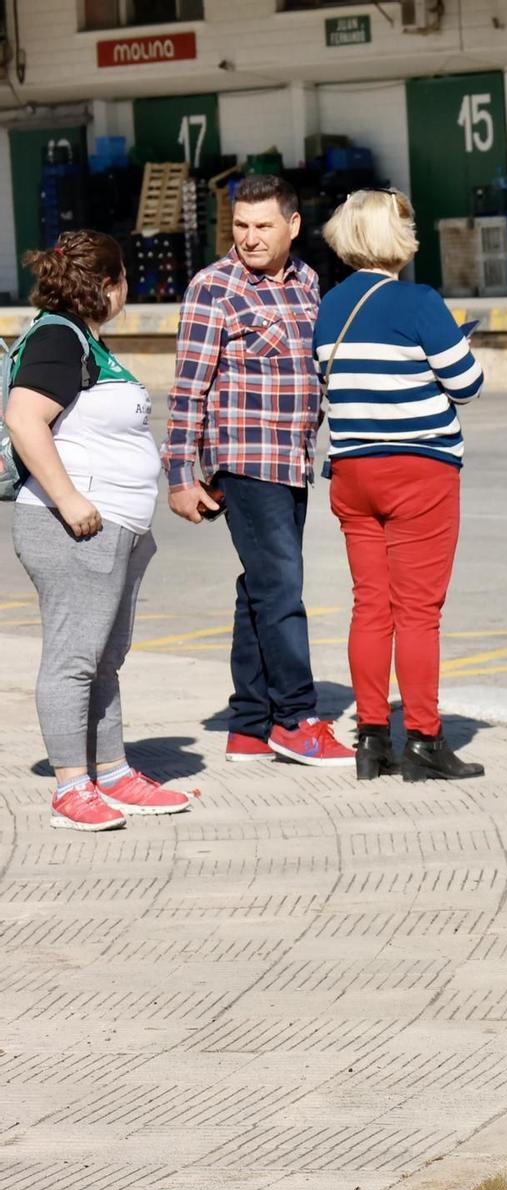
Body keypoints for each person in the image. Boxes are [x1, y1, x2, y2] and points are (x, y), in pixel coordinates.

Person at [6, 231, 193, 830]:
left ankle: (111, 773)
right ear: (110, 283)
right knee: (73, 659)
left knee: (102, 659)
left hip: (112, 528)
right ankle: (70, 788)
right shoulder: (59, 337)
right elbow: (23, 418)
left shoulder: (81, 339)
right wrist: (68, 499)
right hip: (77, 527)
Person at [165, 174, 352, 768]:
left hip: (293, 461)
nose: (249, 237)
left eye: (263, 225)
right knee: (281, 591)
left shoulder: (308, 283)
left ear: (292, 226)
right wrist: (179, 475)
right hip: (246, 462)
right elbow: (187, 390)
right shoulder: (213, 288)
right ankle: (297, 717)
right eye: (241, 226)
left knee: (261, 590)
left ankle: (249, 724)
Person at [315, 189, 486, 782]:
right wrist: (459, 346)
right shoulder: (419, 301)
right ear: (398, 238)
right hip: (419, 471)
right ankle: (422, 738)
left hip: (353, 472)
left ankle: (369, 739)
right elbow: (466, 385)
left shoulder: (331, 306)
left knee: (371, 606)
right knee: (418, 610)